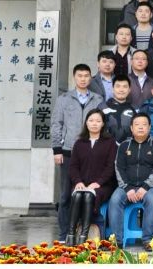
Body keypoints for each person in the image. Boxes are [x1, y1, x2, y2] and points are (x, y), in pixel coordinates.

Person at [51, 64, 104, 241]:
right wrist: (57, 149)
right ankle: (63, 234)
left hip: (91, 152)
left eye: (86, 76)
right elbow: (56, 124)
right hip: (68, 151)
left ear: (90, 77)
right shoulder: (64, 99)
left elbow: (102, 122)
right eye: (80, 76)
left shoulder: (97, 99)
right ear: (74, 77)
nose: (83, 79)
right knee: (66, 194)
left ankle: (82, 232)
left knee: (86, 193)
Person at [109, 113, 153, 249]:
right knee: (115, 200)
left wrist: (146, 186)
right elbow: (119, 167)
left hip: (150, 187)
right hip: (127, 186)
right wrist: (127, 188)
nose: (140, 127)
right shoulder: (124, 145)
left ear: (149, 127)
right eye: (137, 124)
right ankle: (116, 241)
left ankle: (148, 240)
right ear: (131, 128)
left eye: (144, 124)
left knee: (152, 200)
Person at [65, 109, 117, 245]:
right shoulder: (79, 143)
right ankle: (71, 234)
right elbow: (73, 166)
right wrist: (78, 182)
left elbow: (110, 167)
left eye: (98, 121)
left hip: (103, 186)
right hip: (81, 183)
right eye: (91, 120)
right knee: (77, 195)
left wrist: (98, 182)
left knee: (88, 195)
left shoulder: (110, 142)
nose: (94, 124)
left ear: (103, 124)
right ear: (86, 123)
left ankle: (84, 235)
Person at [99, 75, 135, 144]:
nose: (121, 90)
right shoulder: (102, 107)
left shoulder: (133, 109)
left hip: (128, 147)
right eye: (118, 86)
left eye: (125, 87)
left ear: (129, 90)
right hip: (106, 146)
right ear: (112, 89)